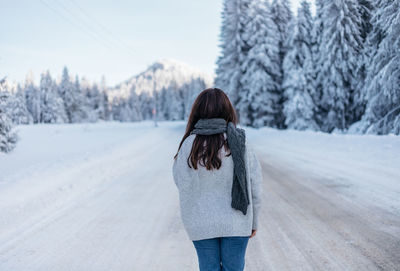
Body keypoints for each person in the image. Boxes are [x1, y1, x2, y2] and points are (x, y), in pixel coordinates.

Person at [172, 88, 263, 271]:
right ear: (227, 110)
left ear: (197, 112)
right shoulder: (239, 142)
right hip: (237, 222)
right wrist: (254, 221)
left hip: (200, 223)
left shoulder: (189, 144)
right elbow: (254, 184)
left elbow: (180, 180)